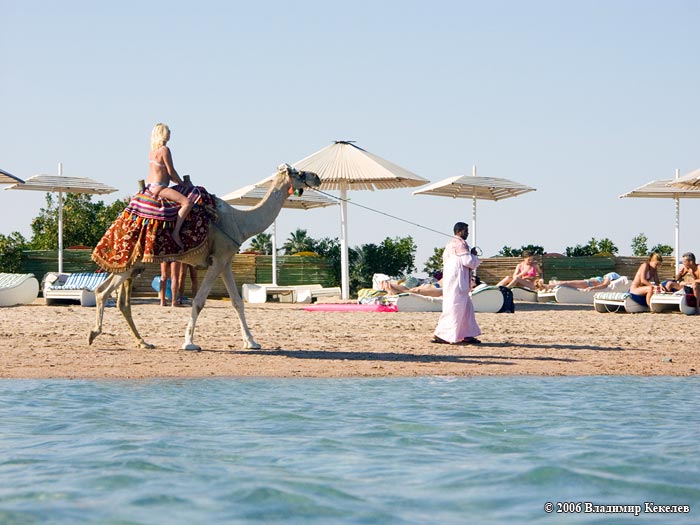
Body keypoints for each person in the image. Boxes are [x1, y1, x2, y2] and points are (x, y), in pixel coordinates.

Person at [433, 222, 481, 345]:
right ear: (459, 231)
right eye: (466, 231)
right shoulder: (461, 244)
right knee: (455, 307)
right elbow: (468, 261)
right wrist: (474, 256)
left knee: (466, 308)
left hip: (453, 280)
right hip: (458, 281)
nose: (468, 233)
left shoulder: (449, 244)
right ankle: (443, 334)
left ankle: (467, 334)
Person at [146, 123, 192, 249]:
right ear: (163, 134)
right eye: (168, 131)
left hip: (149, 186)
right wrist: (182, 184)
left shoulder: (152, 152)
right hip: (159, 187)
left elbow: (165, 174)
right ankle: (176, 232)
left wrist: (177, 181)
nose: (170, 133)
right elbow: (171, 171)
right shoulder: (164, 150)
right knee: (187, 203)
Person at [541, 272, 621, 292]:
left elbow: (604, 285)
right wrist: (592, 287)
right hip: (589, 283)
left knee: (568, 283)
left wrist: (592, 287)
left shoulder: (613, 276)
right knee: (568, 283)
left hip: (589, 283)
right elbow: (604, 285)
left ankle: (550, 284)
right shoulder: (612, 275)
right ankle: (550, 285)